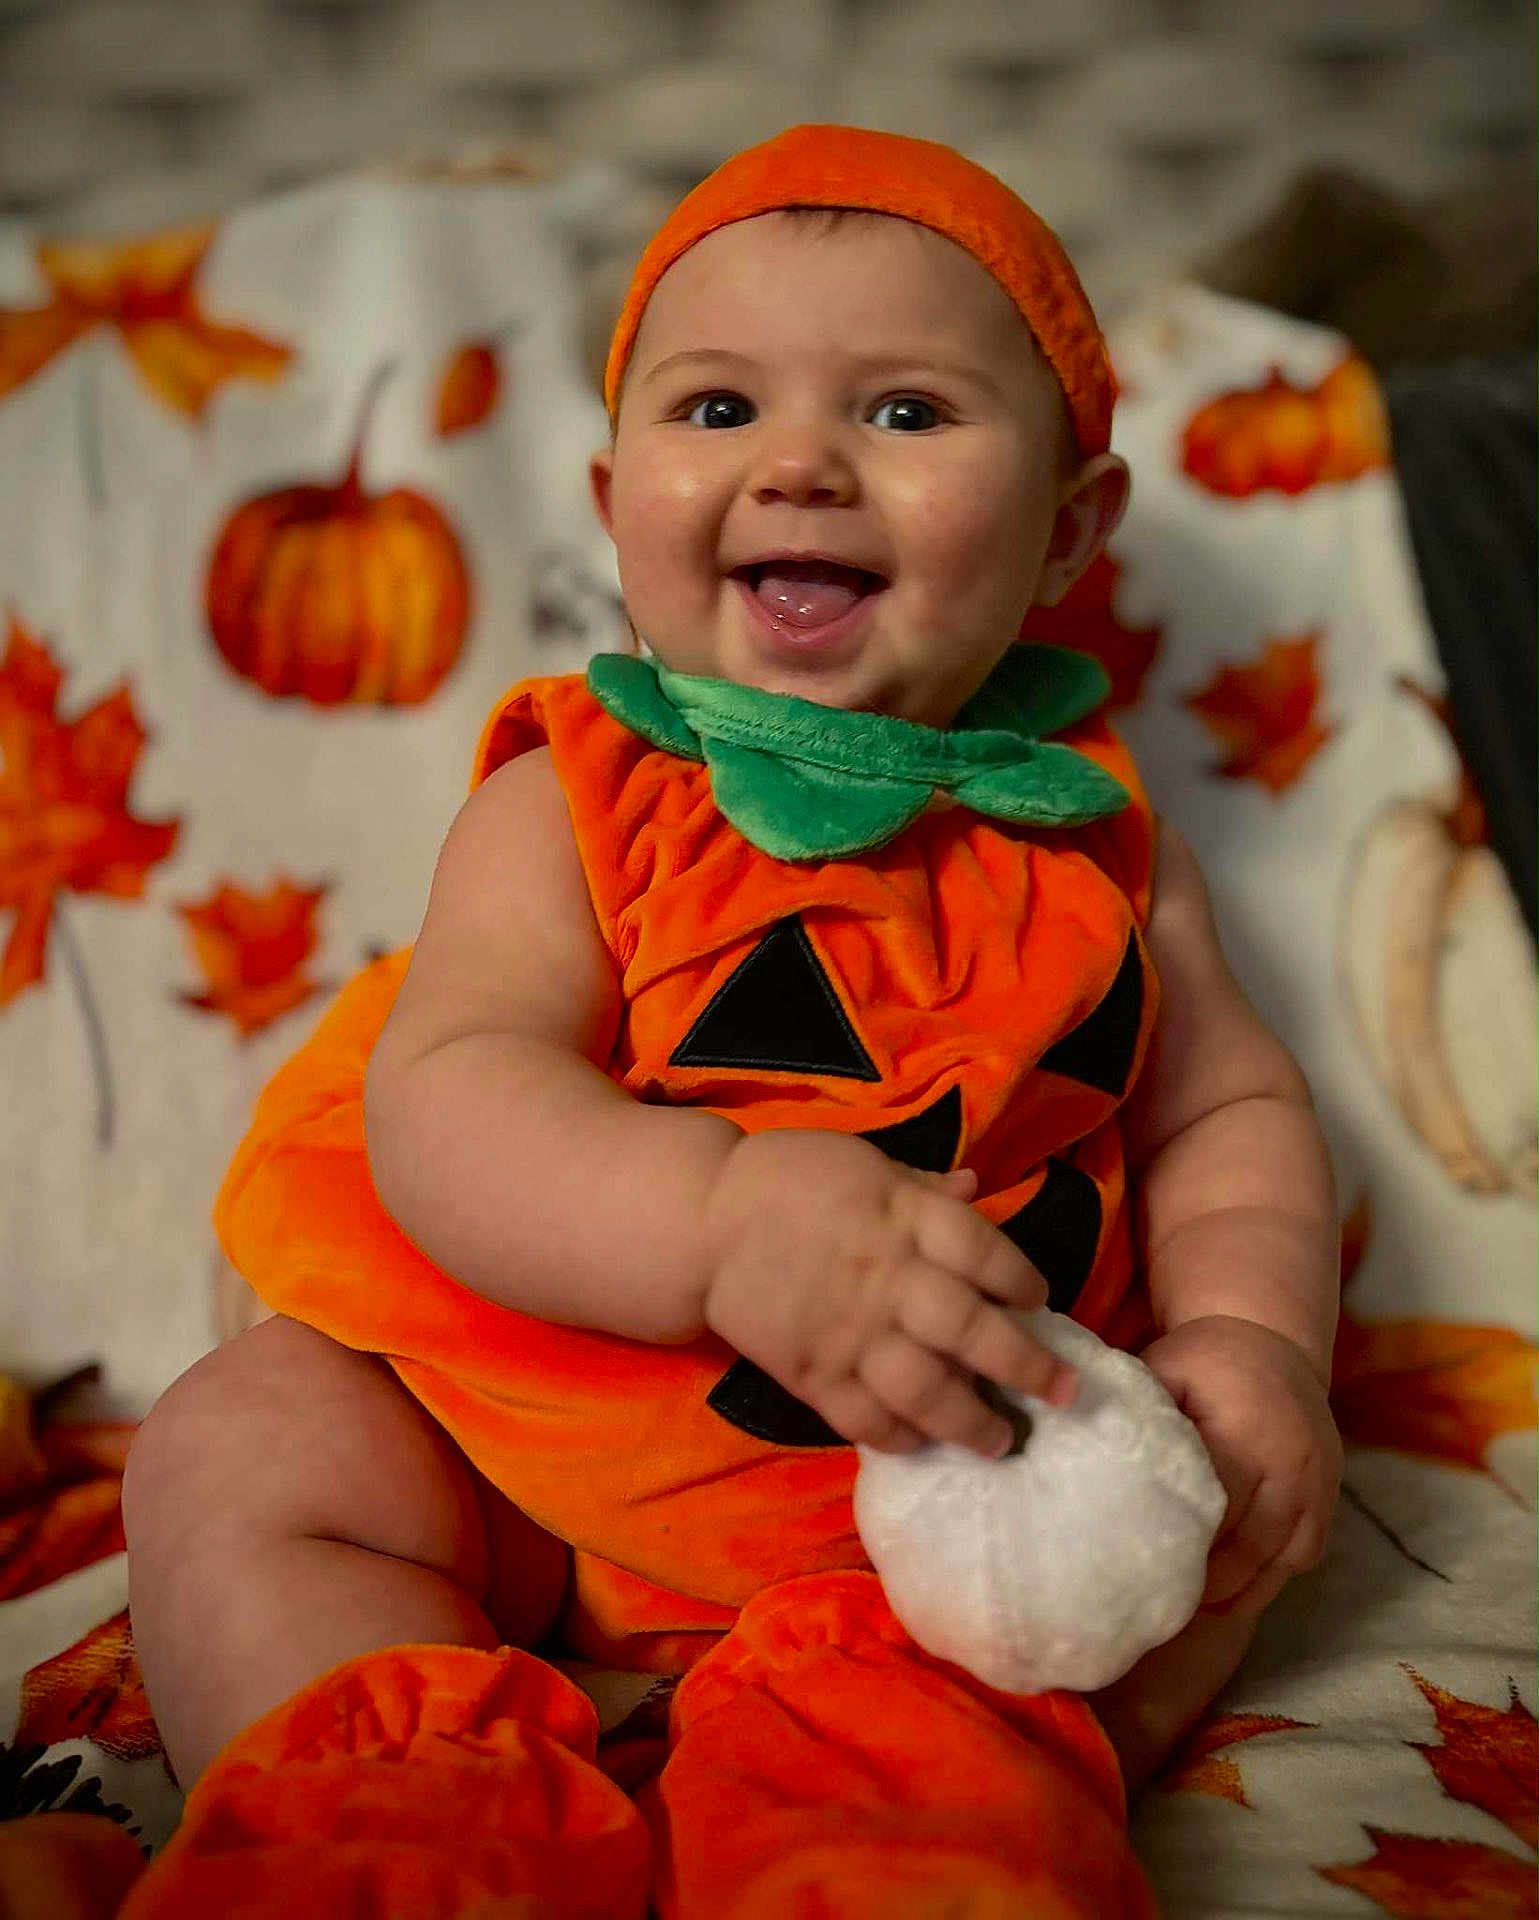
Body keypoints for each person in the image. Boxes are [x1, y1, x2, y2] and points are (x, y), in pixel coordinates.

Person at [120, 124, 1342, 1919]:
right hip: (514, 1454)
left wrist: (1256, 1340)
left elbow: (1226, 1119)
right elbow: (453, 1093)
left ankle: (883, 1831)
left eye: (906, 411)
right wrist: (719, 1217)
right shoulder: (574, 804)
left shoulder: (1099, 855)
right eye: (716, 409)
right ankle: (394, 1819)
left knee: (1111, 1616)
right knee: (247, 1445)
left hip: (919, 1501)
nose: (801, 464)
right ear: (615, 498)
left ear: (1071, 528)